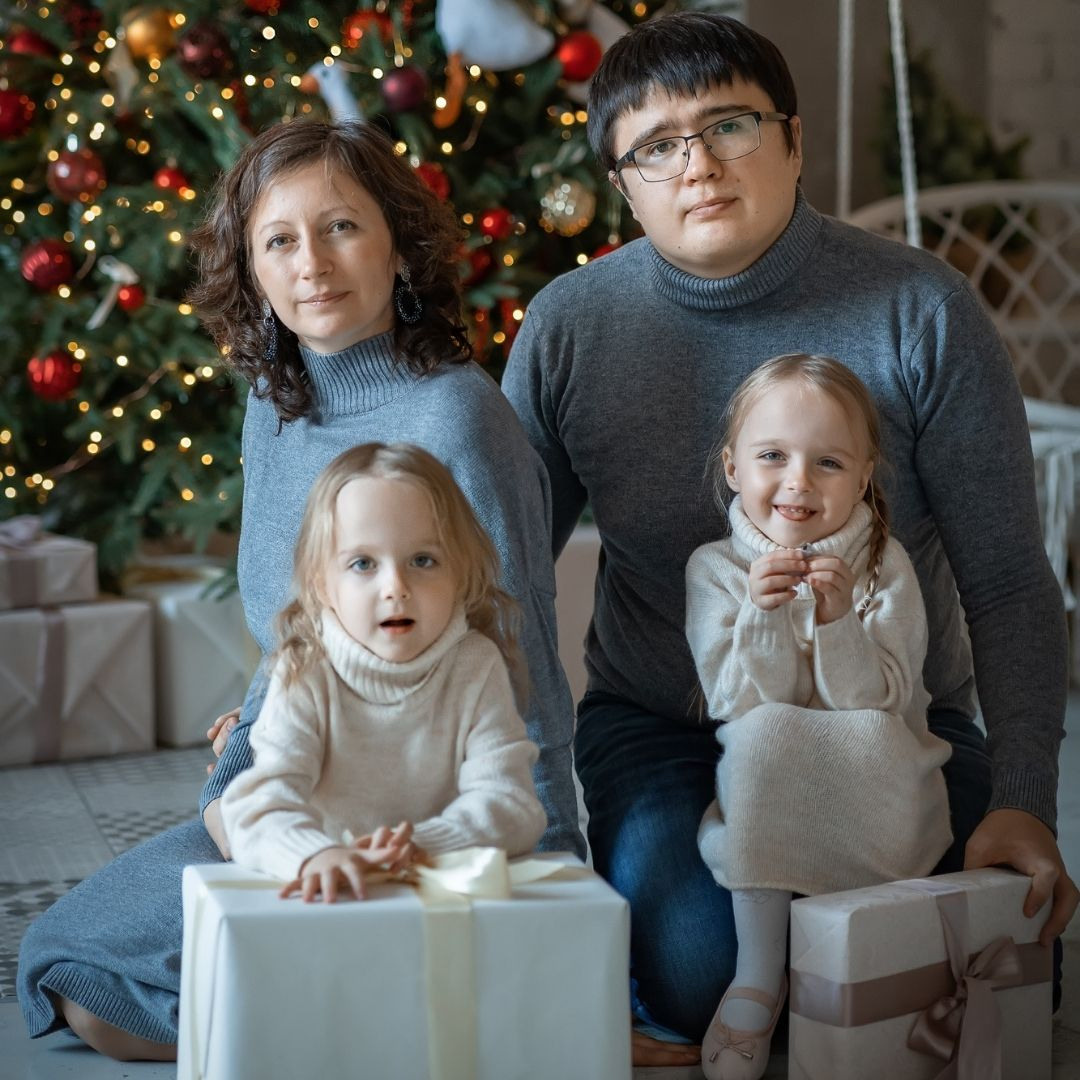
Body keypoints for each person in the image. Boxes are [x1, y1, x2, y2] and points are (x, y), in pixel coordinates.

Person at [501, 10, 1078, 1066]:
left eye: (730, 124)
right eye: (658, 145)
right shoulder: (569, 327)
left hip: (892, 714)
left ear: (794, 138)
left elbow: (1005, 577)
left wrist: (1025, 801)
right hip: (666, 722)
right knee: (703, 970)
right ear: (622, 181)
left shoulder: (921, 310)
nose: (699, 165)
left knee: (985, 950)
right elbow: (502, 585)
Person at [18, 118, 580, 1061]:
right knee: (73, 971)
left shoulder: (456, 416)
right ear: (253, 268)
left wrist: (549, 864)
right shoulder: (273, 405)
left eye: (342, 228)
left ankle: (374, 997)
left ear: (396, 244)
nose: (312, 263)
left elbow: (522, 654)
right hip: (301, 784)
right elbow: (294, 624)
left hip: (420, 820)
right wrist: (255, 738)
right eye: (279, 240)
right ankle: (360, 1004)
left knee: (112, 994)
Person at [685, 355, 953, 1079]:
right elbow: (738, 702)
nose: (799, 481)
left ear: (863, 477)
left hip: (874, 746)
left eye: (828, 462)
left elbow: (881, 700)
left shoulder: (883, 564)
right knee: (763, 735)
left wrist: (838, 622)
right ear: (734, 468)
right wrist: (763, 615)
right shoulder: (714, 569)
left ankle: (860, 949)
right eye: (773, 456)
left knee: (868, 736)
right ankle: (759, 972)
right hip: (769, 758)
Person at [221, 442, 546, 902]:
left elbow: (513, 804)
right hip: (332, 897)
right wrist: (316, 854)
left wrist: (423, 843)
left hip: (438, 894)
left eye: (423, 561)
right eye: (362, 564)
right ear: (322, 584)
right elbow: (257, 806)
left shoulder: (475, 664)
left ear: (459, 571)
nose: (396, 587)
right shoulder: (307, 669)